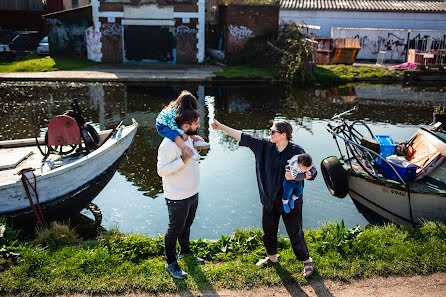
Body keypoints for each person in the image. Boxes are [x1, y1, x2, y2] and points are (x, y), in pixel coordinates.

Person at [211, 118, 316, 278]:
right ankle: (272, 258)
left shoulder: (296, 151)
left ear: (283, 135)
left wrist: (298, 175)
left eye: (273, 131)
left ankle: (306, 260)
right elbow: (243, 137)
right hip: (268, 199)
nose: (270, 133)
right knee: (268, 231)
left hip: (290, 201)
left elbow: (312, 171)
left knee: (295, 232)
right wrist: (221, 127)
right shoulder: (264, 146)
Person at [157, 108, 205, 279]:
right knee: (175, 229)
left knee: (187, 225)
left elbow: (193, 156)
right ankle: (171, 263)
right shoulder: (168, 145)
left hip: (192, 192)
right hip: (177, 196)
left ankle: (185, 251)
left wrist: (196, 145)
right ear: (186, 125)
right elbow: (161, 170)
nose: (198, 126)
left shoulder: (188, 137)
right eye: (196, 124)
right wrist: (183, 159)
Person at [156, 90, 208, 161]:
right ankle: (186, 150)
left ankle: (194, 140)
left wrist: (189, 134)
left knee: (187, 127)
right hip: (163, 126)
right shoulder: (174, 112)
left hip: (171, 123)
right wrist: (182, 133)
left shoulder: (181, 111)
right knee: (176, 136)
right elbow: (173, 126)